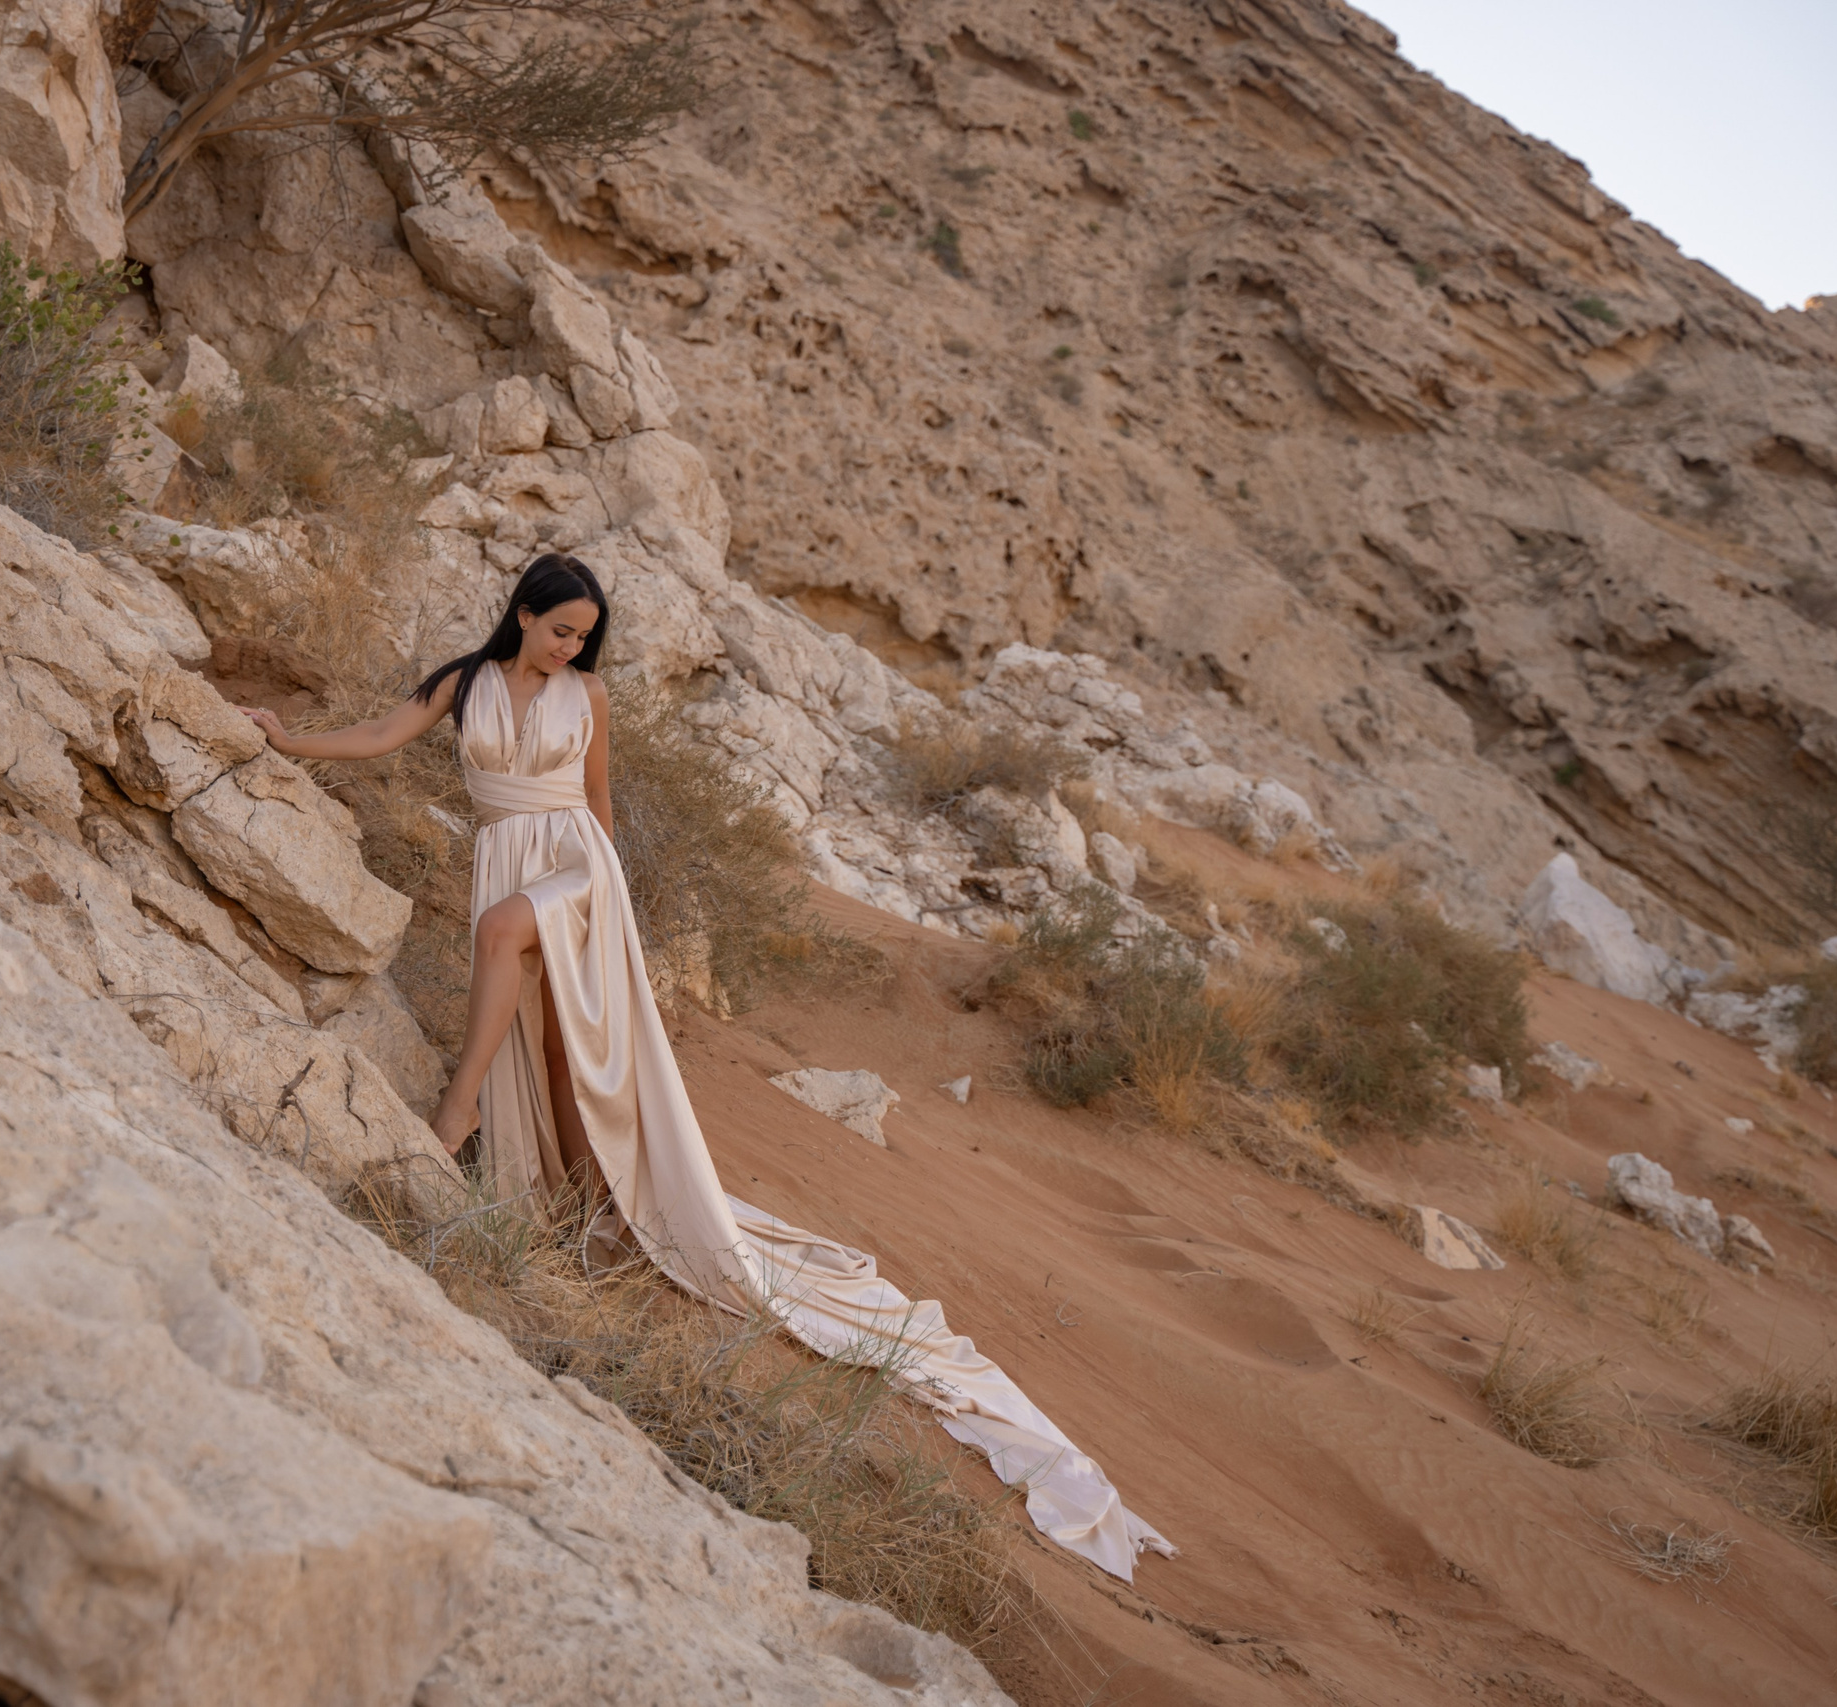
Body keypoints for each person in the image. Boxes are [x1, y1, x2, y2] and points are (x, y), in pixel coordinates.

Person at [241, 553, 1175, 1582]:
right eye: (561, 630)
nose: (572, 648)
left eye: (584, 637)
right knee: (553, 1042)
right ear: (523, 612)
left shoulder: (590, 697)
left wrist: (615, 931)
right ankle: (582, 1197)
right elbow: (380, 734)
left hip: (572, 874)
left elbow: (597, 808)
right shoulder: (462, 683)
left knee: (511, 936)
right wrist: (290, 740)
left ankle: (458, 1107)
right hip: (504, 852)